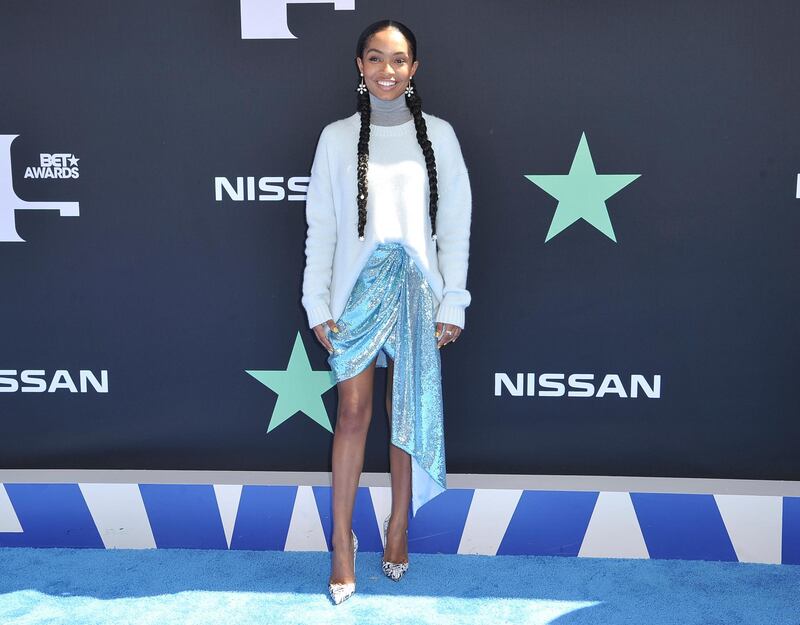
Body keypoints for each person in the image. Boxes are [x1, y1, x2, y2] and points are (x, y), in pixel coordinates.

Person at [300, 19, 472, 605]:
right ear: (359, 66)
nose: (386, 71)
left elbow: (455, 227)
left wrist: (454, 300)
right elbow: (320, 227)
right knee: (352, 415)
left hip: (418, 291)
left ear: (414, 68)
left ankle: (399, 528)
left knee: (406, 417)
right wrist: (316, 302)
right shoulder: (334, 138)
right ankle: (341, 545)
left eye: (398, 60)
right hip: (355, 291)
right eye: (375, 59)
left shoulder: (441, 137)